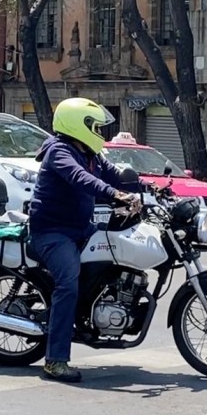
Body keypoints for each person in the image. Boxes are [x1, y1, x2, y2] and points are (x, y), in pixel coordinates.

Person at [28, 98, 141, 383]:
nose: (100, 134)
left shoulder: (90, 153)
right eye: (96, 127)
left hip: (82, 228)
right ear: (79, 125)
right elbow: (81, 179)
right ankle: (55, 361)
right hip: (52, 232)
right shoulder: (59, 151)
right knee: (68, 282)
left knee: (114, 254)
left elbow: (115, 176)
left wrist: (150, 187)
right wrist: (115, 195)